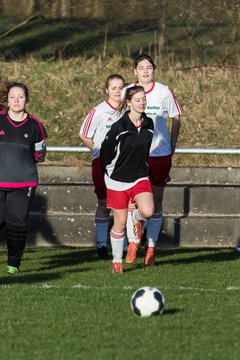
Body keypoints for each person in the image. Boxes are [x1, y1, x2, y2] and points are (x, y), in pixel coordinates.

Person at [125, 54, 181, 266]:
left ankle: (150, 249)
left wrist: (172, 144)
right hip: (135, 155)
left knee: (157, 201)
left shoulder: (164, 92)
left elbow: (176, 117)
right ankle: (133, 242)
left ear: (154, 70)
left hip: (159, 154)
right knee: (133, 200)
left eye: (149, 67)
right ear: (135, 71)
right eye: (141, 67)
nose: (146, 71)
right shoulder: (128, 92)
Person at [100, 86, 154, 273]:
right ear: (129, 103)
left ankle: (136, 219)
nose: (142, 102)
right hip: (117, 180)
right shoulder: (119, 127)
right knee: (119, 223)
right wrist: (109, 173)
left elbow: (145, 152)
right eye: (137, 100)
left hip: (140, 176)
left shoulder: (149, 124)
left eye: (144, 99)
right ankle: (116, 261)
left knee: (147, 211)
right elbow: (105, 154)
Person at [0, 81, 47, 274]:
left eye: (20, 96)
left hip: (23, 183)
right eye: (12, 97)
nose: (16, 100)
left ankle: (13, 263)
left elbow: (39, 155)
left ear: (27, 99)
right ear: (7, 100)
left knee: (17, 224)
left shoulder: (35, 125)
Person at [79, 74, 126, 259]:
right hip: (102, 164)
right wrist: (99, 152)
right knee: (104, 202)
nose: (117, 91)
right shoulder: (99, 111)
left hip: (123, 164)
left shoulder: (128, 110)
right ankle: (101, 245)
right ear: (107, 90)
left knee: (125, 204)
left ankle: (124, 246)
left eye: (120, 87)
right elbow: (84, 134)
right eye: (113, 88)